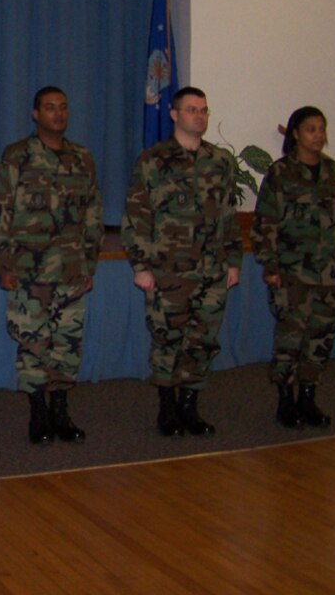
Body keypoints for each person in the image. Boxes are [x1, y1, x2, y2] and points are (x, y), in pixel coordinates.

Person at [0, 87, 103, 444]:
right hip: (28, 271)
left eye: (63, 108)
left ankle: (61, 411)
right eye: (50, 108)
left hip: (71, 271)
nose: (58, 114)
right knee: (33, 344)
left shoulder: (82, 158)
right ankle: (38, 413)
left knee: (67, 344)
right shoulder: (17, 156)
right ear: (35, 114)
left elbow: (93, 214)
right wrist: (2, 263)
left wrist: (89, 264)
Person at [121, 86, 241, 438]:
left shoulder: (219, 161)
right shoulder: (153, 160)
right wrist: (140, 266)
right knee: (167, 338)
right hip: (168, 270)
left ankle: (191, 406)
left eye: (203, 110)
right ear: (174, 114)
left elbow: (229, 215)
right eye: (191, 110)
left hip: (212, 268)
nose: (199, 116)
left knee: (202, 340)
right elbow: (136, 216)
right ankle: (167, 408)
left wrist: (233, 260)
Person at [251, 106, 335, 429]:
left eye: (322, 129)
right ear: (295, 133)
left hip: (328, 272)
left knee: (320, 337)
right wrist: (270, 265)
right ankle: (286, 400)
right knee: (290, 338)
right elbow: (266, 222)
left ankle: (308, 397)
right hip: (292, 271)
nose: (318, 135)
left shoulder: (334, 173)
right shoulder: (282, 173)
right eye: (311, 129)